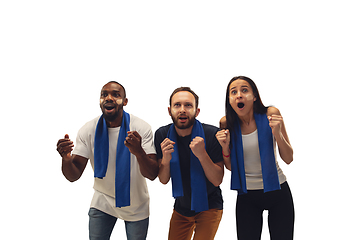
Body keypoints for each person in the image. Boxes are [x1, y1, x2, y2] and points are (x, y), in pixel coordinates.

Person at [56, 81, 158, 240]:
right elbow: (73, 175)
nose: (108, 98)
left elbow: (152, 174)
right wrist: (66, 158)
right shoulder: (88, 129)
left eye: (115, 95)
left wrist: (139, 152)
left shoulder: (140, 127)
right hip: (102, 201)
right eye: (104, 95)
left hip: (136, 204)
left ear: (125, 102)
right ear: (99, 100)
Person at [216, 76, 295, 240]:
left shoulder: (271, 114)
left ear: (255, 97)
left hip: (277, 190)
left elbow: (288, 158)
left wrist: (278, 134)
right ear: (229, 100)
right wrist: (224, 147)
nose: (239, 95)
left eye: (244, 90)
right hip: (247, 196)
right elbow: (231, 167)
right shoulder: (226, 123)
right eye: (233, 92)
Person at [154, 87, 224, 240]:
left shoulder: (211, 134)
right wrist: (166, 158)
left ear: (197, 111)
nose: (182, 110)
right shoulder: (162, 134)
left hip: (209, 205)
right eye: (177, 105)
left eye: (188, 105)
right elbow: (164, 180)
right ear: (169, 110)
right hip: (181, 207)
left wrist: (202, 154)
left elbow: (217, 179)